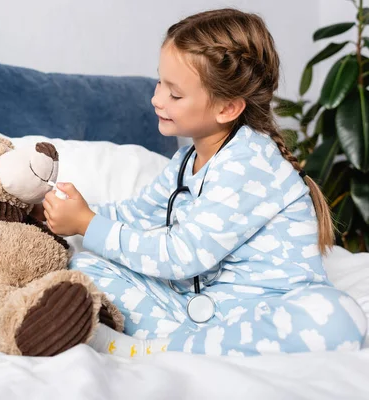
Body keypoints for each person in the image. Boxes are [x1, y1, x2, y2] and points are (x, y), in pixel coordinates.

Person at [36, 8, 367, 356]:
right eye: (159, 82)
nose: (156, 99)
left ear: (227, 109)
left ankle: (157, 348)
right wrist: (67, 215)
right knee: (84, 264)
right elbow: (136, 214)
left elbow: (182, 255)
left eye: (174, 94)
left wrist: (88, 224)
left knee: (336, 317)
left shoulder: (251, 163)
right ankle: (183, 343)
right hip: (201, 311)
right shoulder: (185, 162)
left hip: (266, 311)